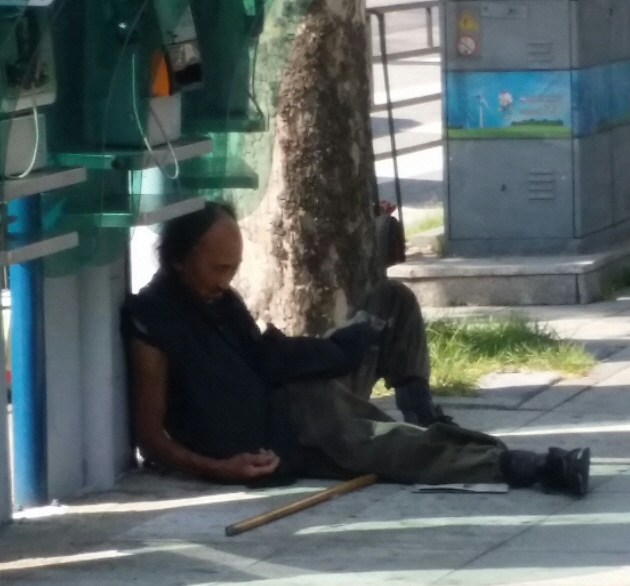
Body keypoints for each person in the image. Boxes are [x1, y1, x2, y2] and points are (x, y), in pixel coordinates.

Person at [124, 202, 591, 496]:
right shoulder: (153, 321)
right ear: (179, 260)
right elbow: (151, 440)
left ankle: (421, 411)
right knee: (391, 446)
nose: (227, 280)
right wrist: (222, 469)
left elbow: (266, 357)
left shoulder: (219, 299)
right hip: (290, 428)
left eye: (233, 268)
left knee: (390, 300)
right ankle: (526, 465)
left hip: (295, 388)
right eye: (217, 269)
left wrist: (334, 351)